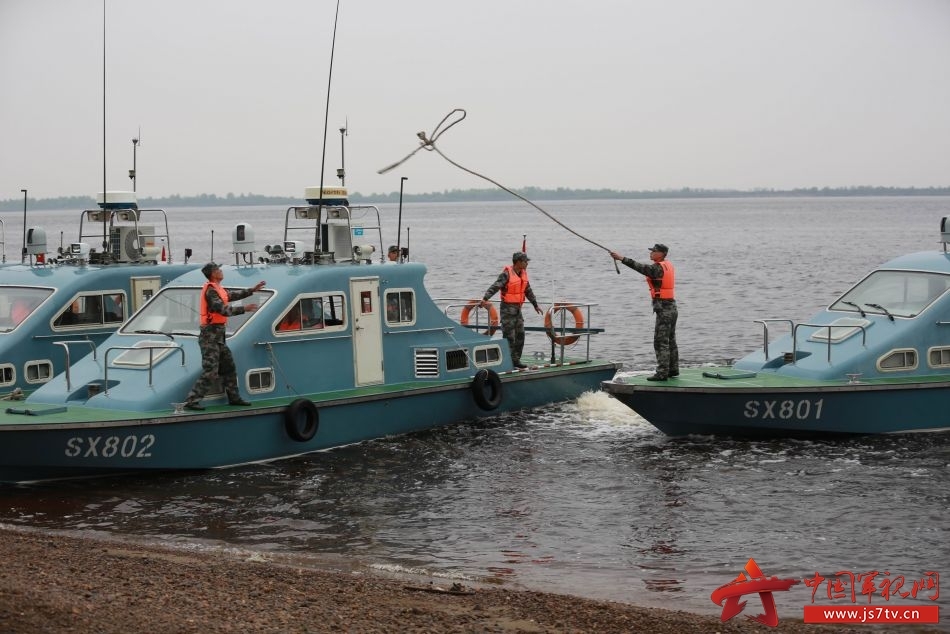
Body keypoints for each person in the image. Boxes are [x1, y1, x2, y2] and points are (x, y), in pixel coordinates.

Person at [183, 263, 266, 411]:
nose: (221, 271)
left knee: (229, 367)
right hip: (210, 336)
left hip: (218, 336)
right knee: (211, 370)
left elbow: (231, 295)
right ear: (213, 274)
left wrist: (252, 290)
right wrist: (244, 309)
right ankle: (192, 399)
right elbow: (223, 310)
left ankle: (234, 398)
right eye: (218, 270)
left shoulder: (218, 289)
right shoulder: (210, 291)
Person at [610, 243, 679, 381]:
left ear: (661, 254)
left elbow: (640, 267)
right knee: (670, 340)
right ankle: (672, 369)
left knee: (661, 341)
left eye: (654, 251)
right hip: (671, 307)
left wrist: (621, 258)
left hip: (665, 308)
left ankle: (662, 373)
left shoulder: (658, 268)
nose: (651, 253)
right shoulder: (667, 265)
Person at [481, 251, 543, 369]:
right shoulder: (506, 274)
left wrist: (535, 305)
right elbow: (495, 286)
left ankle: (516, 361)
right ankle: (507, 363)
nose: (527, 264)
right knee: (509, 338)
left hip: (518, 310)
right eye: (525, 261)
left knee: (520, 335)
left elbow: (528, 290)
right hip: (507, 310)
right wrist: (485, 298)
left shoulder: (523, 274)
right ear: (518, 262)